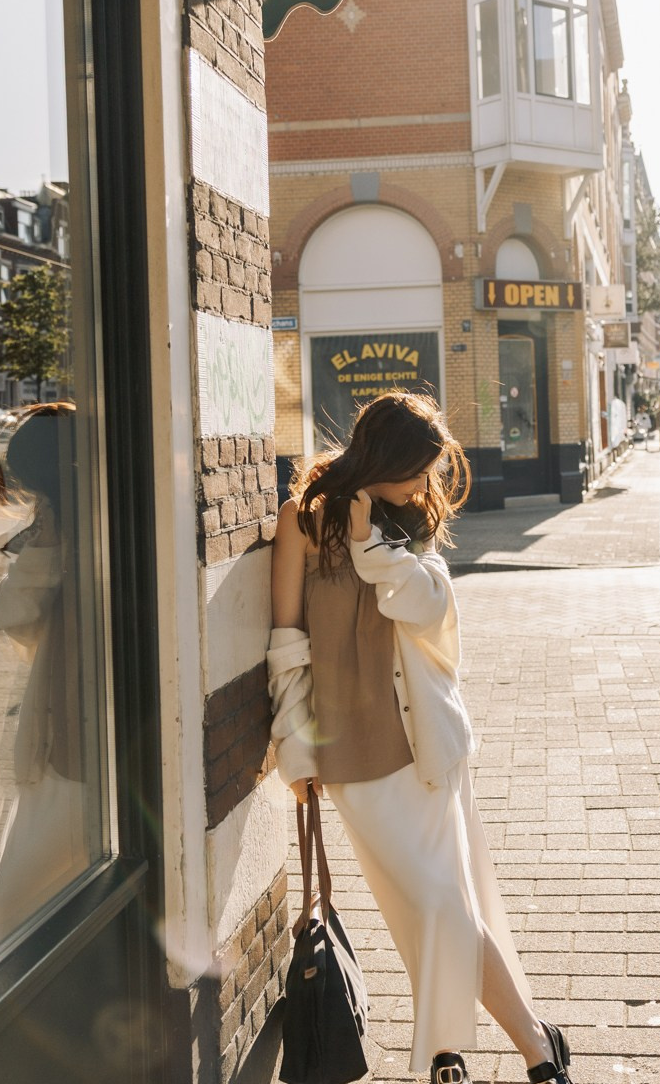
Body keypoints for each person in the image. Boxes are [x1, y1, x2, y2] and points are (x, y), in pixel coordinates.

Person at [267, 391, 573, 1084]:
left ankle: (495, 1052)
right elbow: (286, 642)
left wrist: (379, 548)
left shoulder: (407, 524)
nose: (424, 486)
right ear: (382, 457)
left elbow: (436, 616)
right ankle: (516, 1040)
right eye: (416, 470)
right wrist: (295, 745)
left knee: (440, 901)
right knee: (426, 902)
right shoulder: (305, 520)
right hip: (348, 753)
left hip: (427, 746)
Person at [0, 404, 87, 967]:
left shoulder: (65, 533)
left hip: (71, 731)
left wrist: (44, 546)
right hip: (78, 727)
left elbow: (19, 621)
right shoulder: (83, 523)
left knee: (24, 882)